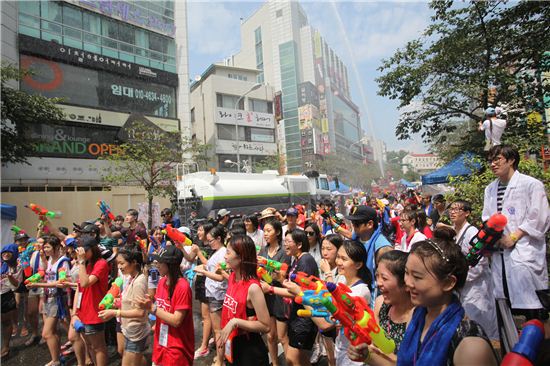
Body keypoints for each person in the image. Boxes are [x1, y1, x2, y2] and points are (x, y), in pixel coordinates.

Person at [348, 231, 497, 366]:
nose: (408, 283)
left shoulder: (470, 346)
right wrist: (368, 356)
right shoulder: (418, 316)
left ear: (448, 283)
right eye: (406, 273)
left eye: (417, 277)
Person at [483, 145, 549, 321]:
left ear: (511, 160)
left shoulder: (531, 185)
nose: (493, 164)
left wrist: (514, 237)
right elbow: (487, 217)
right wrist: (493, 237)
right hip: (500, 255)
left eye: (497, 159)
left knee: (533, 307)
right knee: (506, 306)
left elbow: (539, 217)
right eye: (491, 160)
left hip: (524, 253)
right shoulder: (490, 189)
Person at [137, 245, 194, 365]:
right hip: (161, 343)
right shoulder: (162, 281)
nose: (156, 265)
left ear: (170, 265)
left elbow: (176, 320)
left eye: (160, 262)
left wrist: (152, 308)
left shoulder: (182, 287)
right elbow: (162, 310)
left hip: (177, 348)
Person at [218, 235, 270, 365]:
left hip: (250, 352)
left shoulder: (253, 288)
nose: (225, 257)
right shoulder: (232, 277)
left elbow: (266, 326)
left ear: (241, 257)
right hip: (233, 345)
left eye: (228, 252)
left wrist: (236, 322)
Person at [449, 200, 497, 340]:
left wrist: (461, 279)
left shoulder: (473, 233)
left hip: (476, 287)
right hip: (463, 288)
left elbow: (480, 263)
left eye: (457, 209)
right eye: (451, 209)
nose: (453, 212)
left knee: (480, 325)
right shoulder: (454, 232)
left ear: (467, 213)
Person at [99, 249, 150, 366]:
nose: (119, 267)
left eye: (122, 263)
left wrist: (114, 313)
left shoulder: (139, 282)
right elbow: (130, 302)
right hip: (129, 330)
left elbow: (140, 312)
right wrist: (117, 303)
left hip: (136, 333)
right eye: (118, 263)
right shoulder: (131, 278)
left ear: (133, 262)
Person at [26, 236, 71, 366]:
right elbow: (49, 279)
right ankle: (56, 359)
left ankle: (79, 356)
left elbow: (61, 283)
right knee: (53, 332)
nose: (44, 249)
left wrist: (39, 285)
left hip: (57, 300)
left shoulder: (63, 262)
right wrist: (37, 282)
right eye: (44, 247)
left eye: (47, 247)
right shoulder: (51, 260)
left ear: (56, 247)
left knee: (46, 333)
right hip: (48, 298)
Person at [70, 236, 109, 366]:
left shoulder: (101, 263)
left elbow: (86, 283)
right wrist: (75, 313)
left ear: (93, 249)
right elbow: (79, 288)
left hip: (94, 313)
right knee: (90, 345)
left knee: (98, 347)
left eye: (85, 251)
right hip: (83, 312)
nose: (82, 254)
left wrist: (81, 262)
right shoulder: (88, 264)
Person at [193, 225, 228, 366]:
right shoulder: (218, 251)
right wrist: (205, 268)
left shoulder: (223, 252)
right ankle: (221, 357)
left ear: (219, 238)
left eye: (211, 240)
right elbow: (213, 268)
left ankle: (221, 359)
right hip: (214, 293)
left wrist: (203, 272)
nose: (209, 243)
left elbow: (220, 277)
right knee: (217, 330)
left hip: (218, 295)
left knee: (218, 330)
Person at [333, 241, 372, 366]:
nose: (338, 262)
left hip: (353, 353)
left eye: (344, 259)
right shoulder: (342, 279)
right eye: (338, 257)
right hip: (341, 346)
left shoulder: (360, 291)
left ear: (358, 264)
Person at [257, 220, 291, 366]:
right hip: (265, 296)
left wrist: (267, 264)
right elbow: (260, 272)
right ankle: (275, 363)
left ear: (277, 232)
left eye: (269, 231)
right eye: (264, 231)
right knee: (270, 336)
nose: (265, 234)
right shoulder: (263, 250)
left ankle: (291, 363)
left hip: (279, 296)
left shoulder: (284, 253)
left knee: (283, 337)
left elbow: (282, 276)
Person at [345, 205, 393, 299]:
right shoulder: (357, 237)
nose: (353, 226)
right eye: (352, 223)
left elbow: (387, 281)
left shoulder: (382, 248)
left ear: (370, 224)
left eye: (356, 224)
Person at [373, 250, 414, 356]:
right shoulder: (380, 303)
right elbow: (374, 342)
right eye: (377, 276)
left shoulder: (417, 317)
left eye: (384, 278)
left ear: (406, 284)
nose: (378, 283)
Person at [193, 222, 215, 359]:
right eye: (198, 230)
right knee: (207, 315)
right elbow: (190, 258)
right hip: (201, 282)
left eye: (201, 230)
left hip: (210, 282)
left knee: (206, 316)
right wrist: (182, 249)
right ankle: (211, 338)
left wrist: (198, 252)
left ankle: (204, 346)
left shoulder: (213, 248)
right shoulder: (198, 244)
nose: (198, 232)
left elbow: (209, 266)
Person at [1, 244, 22, 359]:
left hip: (6, 295)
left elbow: (16, 285)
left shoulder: (16, 267)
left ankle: (5, 346)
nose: (6, 254)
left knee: (6, 322)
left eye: (9, 252)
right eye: (4, 252)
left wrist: (10, 277)